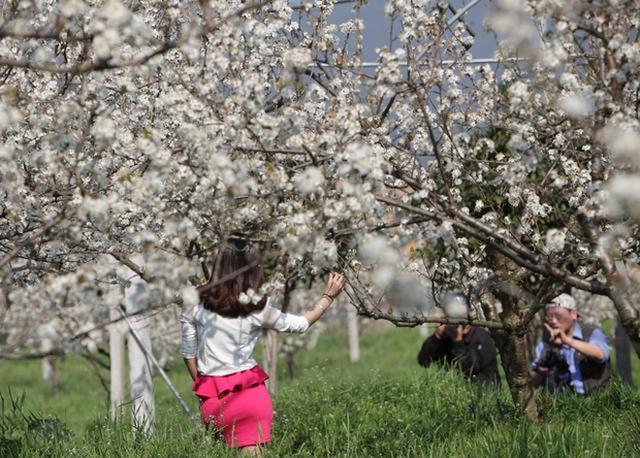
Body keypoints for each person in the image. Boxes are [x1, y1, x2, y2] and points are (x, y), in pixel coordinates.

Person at [181, 238, 346, 453]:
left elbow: (188, 353)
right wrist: (327, 297)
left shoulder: (193, 303)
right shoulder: (257, 306)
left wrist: (206, 387)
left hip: (213, 400)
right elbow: (301, 324)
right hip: (249, 398)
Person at [530, 293, 611, 395]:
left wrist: (568, 341)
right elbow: (533, 383)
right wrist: (541, 370)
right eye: (550, 317)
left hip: (596, 401)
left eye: (558, 316)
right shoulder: (546, 343)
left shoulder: (592, 333)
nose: (554, 321)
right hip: (561, 405)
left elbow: (600, 355)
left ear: (573, 314)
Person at [417, 323, 500, 385]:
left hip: (483, 391)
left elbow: (470, 369)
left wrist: (457, 341)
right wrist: (437, 336)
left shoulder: (481, 336)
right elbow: (423, 361)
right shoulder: (446, 337)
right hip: (451, 392)